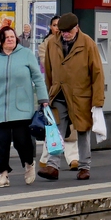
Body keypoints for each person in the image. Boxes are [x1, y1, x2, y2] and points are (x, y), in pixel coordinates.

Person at [39, 12, 104, 182]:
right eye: (62, 31)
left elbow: (97, 73)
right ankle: (52, 166)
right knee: (56, 130)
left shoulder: (88, 43)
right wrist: (47, 94)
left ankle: (84, 167)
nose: (65, 34)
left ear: (77, 28)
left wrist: (97, 101)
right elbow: (48, 70)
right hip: (59, 93)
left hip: (81, 95)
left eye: (68, 31)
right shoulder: (52, 43)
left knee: (82, 131)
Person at [0, 26, 48, 188]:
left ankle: (29, 163)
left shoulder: (26, 55)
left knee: (22, 141)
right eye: (7, 37)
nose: (11, 39)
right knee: (1, 143)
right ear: (0, 41)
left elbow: (37, 78)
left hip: (21, 108)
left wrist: (43, 99)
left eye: (12, 36)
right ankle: (3, 175)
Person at [36, 16, 81, 171]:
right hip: (55, 90)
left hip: (72, 91)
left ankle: (73, 158)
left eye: (59, 25)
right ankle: (47, 159)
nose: (57, 28)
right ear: (50, 27)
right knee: (54, 127)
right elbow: (47, 65)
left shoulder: (75, 42)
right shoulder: (47, 44)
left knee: (71, 127)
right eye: (54, 25)